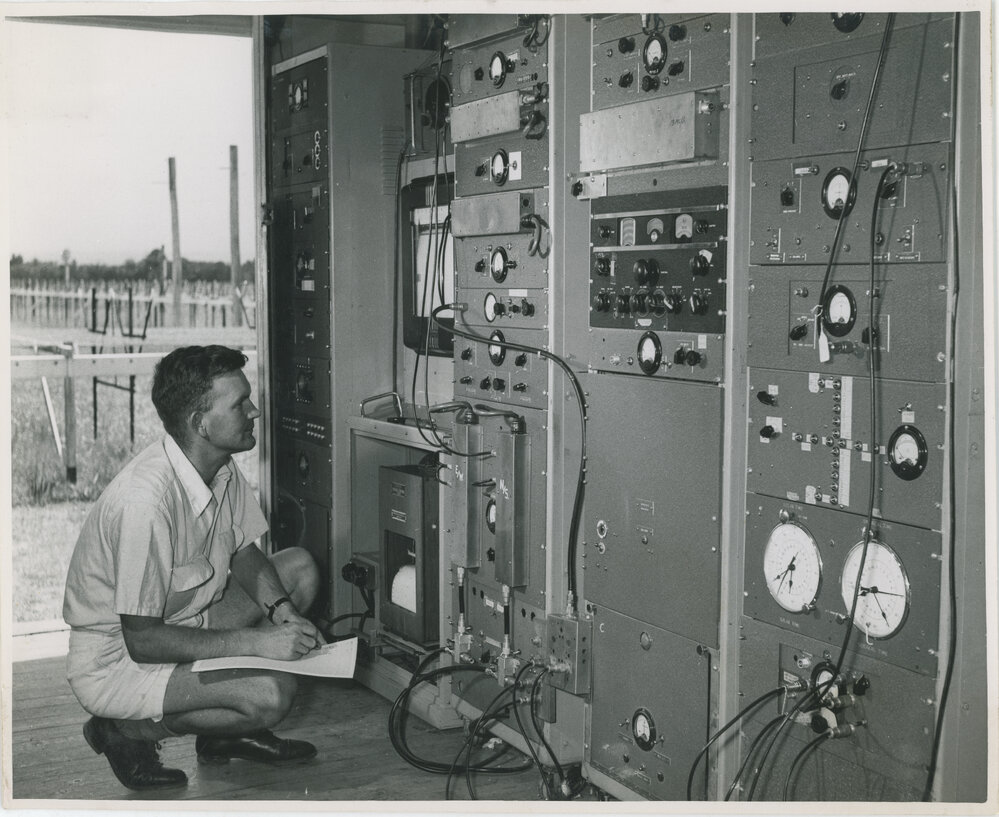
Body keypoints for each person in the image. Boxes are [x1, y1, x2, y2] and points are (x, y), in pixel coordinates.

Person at [63, 345, 325, 791]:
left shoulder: (218, 466)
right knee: (271, 695)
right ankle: (121, 729)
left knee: (299, 568)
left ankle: (224, 735)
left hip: (185, 621)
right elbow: (143, 640)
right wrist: (261, 643)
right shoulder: (145, 503)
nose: (255, 411)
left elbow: (243, 551)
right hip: (120, 659)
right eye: (239, 404)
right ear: (200, 424)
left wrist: (283, 614)